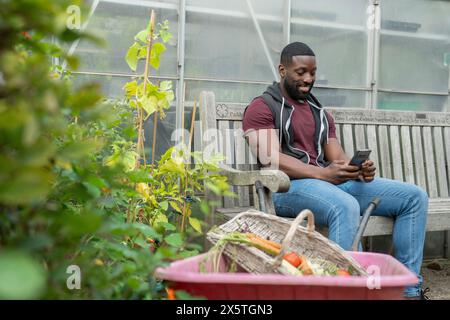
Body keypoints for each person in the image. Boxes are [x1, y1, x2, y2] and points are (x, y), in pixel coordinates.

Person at [242, 42, 429, 299]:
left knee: (413, 197)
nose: (308, 79)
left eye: (313, 72)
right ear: (283, 70)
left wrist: (357, 169)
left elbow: (336, 159)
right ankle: (355, 292)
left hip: (324, 185)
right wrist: (322, 173)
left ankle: (408, 290)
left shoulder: (320, 113)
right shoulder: (262, 106)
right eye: (300, 72)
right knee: (345, 204)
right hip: (285, 187)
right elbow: (271, 159)